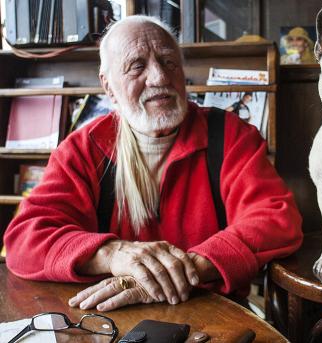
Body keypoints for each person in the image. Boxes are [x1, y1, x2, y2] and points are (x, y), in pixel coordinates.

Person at [4, 16, 303, 312]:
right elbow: (25, 239)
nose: (160, 78)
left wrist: (174, 274)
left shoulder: (230, 136)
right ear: (108, 87)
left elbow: (275, 220)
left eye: (169, 62)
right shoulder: (82, 150)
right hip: (110, 315)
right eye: (137, 66)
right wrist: (113, 254)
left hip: (215, 309)